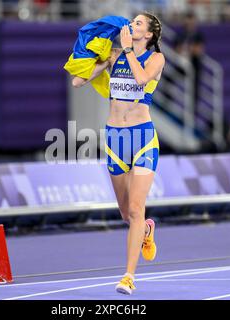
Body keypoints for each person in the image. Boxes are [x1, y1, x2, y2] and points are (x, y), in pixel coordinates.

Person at [71, 12, 165, 295]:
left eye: (137, 23)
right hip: (115, 139)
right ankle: (146, 231)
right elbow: (78, 81)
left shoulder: (156, 58)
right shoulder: (114, 55)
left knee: (137, 209)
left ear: (147, 34)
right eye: (132, 21)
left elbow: (140, 80)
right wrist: (91, 50)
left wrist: (125, 50)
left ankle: (128, 276)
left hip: (143, 138)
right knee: (126, 213)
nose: (131, 25)